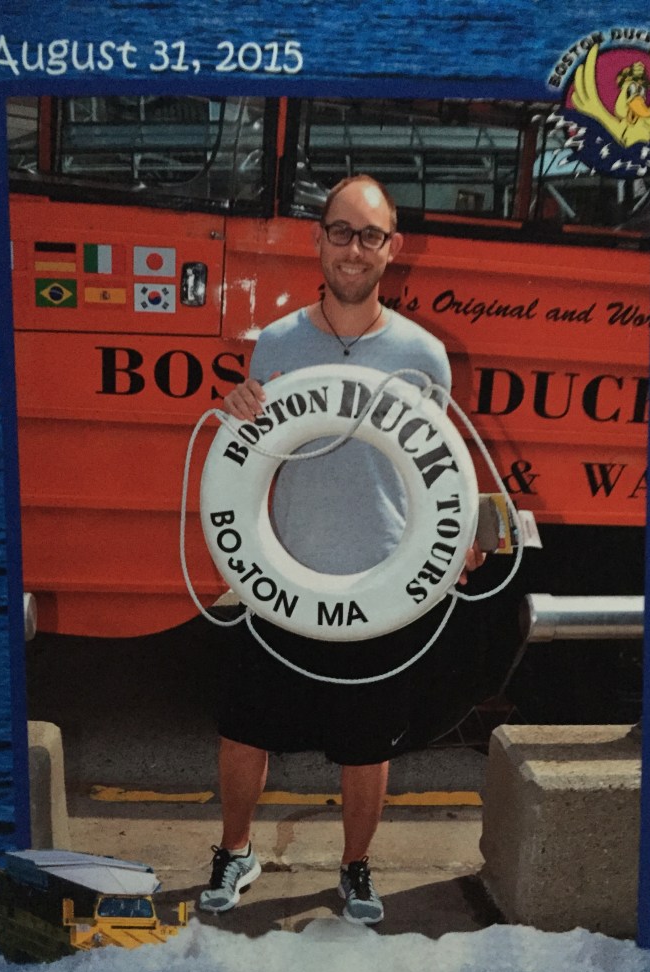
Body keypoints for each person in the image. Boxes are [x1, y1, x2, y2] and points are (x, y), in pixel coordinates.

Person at [199, 175, 485, 925]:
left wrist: (459, 542)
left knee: (367, 743)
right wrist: (238, 410)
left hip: (382, 576)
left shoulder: (424, 355)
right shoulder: (277, 345)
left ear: (392, 247)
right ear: (317, 240)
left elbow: (445, 473)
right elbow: (253, 449)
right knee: (242, 727)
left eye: (370, 235)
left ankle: (355, 865)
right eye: (340, 232)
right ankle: (235, 849)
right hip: (281, 571)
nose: (354, 249)